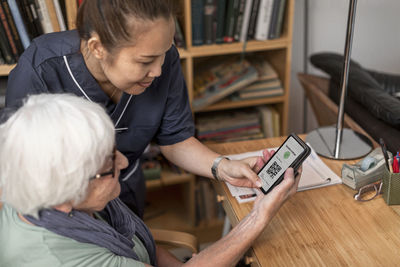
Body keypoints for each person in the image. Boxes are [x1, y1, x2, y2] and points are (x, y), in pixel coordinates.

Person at [6, 0, 265, 218]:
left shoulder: (164, 60)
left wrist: (222, 166)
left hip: (126, 193)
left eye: (164, 52)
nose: (159, 70)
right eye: (145, 61)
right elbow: (20, 169)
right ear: (98, 48)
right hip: (61, 212)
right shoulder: (41, 69)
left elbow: (175, 139)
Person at [0, 94, 300, 266]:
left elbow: (142, 245)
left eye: (114, 151)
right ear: (65, 195)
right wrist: (260, 215)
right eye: (108, 164)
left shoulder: (31, 189)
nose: (125, 162)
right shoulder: (70, 260)